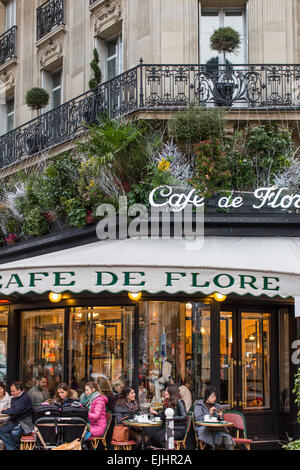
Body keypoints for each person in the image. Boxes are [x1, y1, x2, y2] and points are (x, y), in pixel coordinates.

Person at [194, 386, 235, 450]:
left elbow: (220, 421)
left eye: (215, 397)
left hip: (216, 429)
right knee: (220, 438)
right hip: (204, 429)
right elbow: (198, 419)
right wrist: (209, 413)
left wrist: (220, 416)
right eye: (212, 397)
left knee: (226, 438)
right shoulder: (199, 405)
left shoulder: (217, 406)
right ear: (207, 396)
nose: (214, 398)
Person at [149, 384, 187, 449]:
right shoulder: (167, 403)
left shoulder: (179, 401)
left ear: (171, 392)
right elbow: (164, 416)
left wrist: (171, 418)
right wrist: (156, 413)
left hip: (178, 429)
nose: (165, 393)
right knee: (154, 437)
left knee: (161, 439)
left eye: (166, 391)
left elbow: (184, 416)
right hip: (168, 427)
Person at [0, 382, 33, 450]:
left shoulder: (25, 398)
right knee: (2, 430)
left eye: (13, 391)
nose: (11, 393)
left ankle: (13, 447)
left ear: (19, 390)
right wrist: (9, 410)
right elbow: (13, 410)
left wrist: (4, 411)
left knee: (14, 433)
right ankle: (13, 448)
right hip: (15, 421)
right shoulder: (13, 398)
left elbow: (17, 410)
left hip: (24, 422)